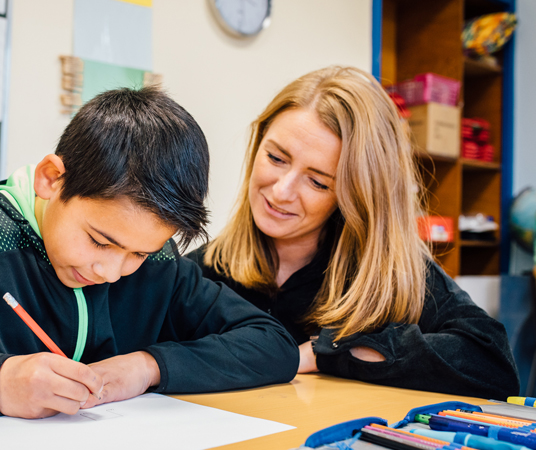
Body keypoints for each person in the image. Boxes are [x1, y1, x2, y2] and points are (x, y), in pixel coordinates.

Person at [0, 86, 299, 421]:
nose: (111, 271)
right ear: (53, 179)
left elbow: (274, 346)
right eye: (99, 240)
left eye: (138, 252)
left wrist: (147, 367)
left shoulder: (158, 264)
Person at [186, 66, 519, 400]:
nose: (282, 190)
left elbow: (492, 362)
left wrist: (329, 351)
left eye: (317, 182)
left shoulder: (392, 275)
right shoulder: (198, 273)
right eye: (275, 157)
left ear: (354, 198)